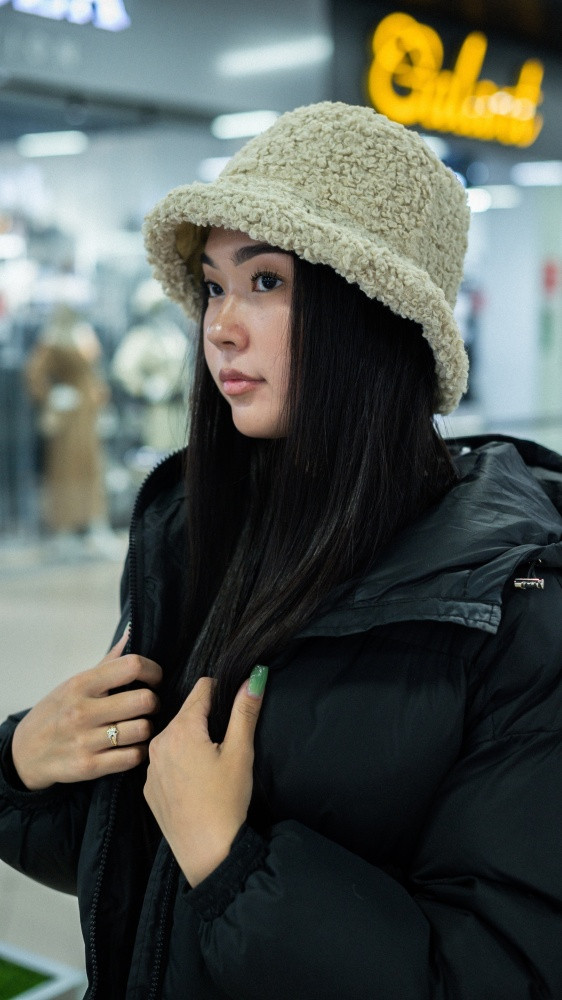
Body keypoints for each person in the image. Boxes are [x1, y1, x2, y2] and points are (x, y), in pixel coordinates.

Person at [1, 101, 562, 999]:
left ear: (375, 312)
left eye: (266, 281)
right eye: (215, 287)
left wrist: (235, 868)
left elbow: (500, 973)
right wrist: (24, 766)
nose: (220, 326)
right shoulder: (196, 535)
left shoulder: (513, 605)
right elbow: (145, 874)